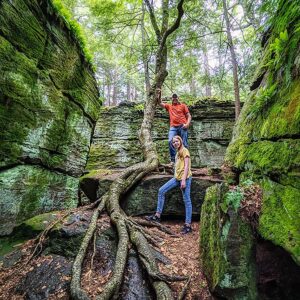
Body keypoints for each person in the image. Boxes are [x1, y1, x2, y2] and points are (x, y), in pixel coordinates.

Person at [146, 135, 193, 234]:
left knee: (187, 200)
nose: (175, 143)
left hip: (185, 179)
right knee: (161, 191)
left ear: (180, 141)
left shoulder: (185, 151)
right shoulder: (177, 153)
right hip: (176, 179)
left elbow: (187, 167)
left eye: (177, 141)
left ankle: (188, 225)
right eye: (173, 142)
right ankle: (157, 216)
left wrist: (183, 180)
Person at [157, 90, 192, 164]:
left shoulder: (183, 105)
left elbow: (189, 116)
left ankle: (185, 160)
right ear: (171, 99)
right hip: (173, 127)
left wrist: (187, 124)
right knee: (170, 141)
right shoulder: (169, 106)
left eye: (176, 97)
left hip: (183, 126)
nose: (175, 98)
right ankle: (173, 160)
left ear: (178, 98)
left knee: (184, 143)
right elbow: (159, 103)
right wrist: (160, 94)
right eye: (173, 97)